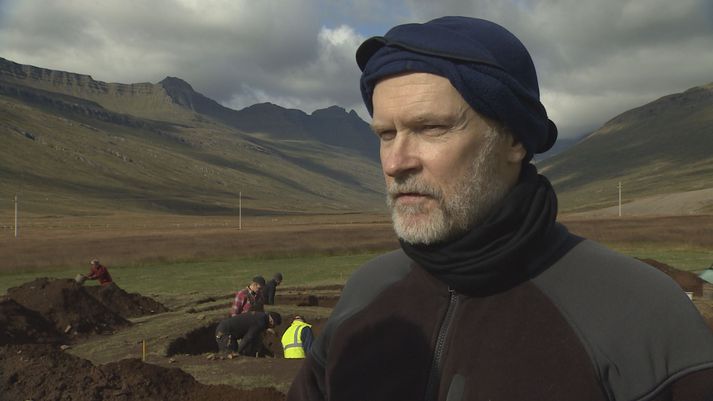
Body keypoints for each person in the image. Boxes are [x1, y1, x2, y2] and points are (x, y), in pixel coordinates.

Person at [287, 17, 713, 401]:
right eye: (385, 133)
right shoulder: (364, 293)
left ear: (514, 141)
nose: (396, 163)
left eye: (431, 127)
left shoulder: (643, 313)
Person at [215, 311, 281, 357]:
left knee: (234, 353)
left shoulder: (260, 317)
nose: (273, 327)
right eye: (274, 325)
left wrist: (270, 354)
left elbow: (256, 341)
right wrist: (238, 352)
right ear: (271, 321)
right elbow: (248, 337)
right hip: (225, 333)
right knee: (229, 355)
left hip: (227, 331)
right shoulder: (261, 321)